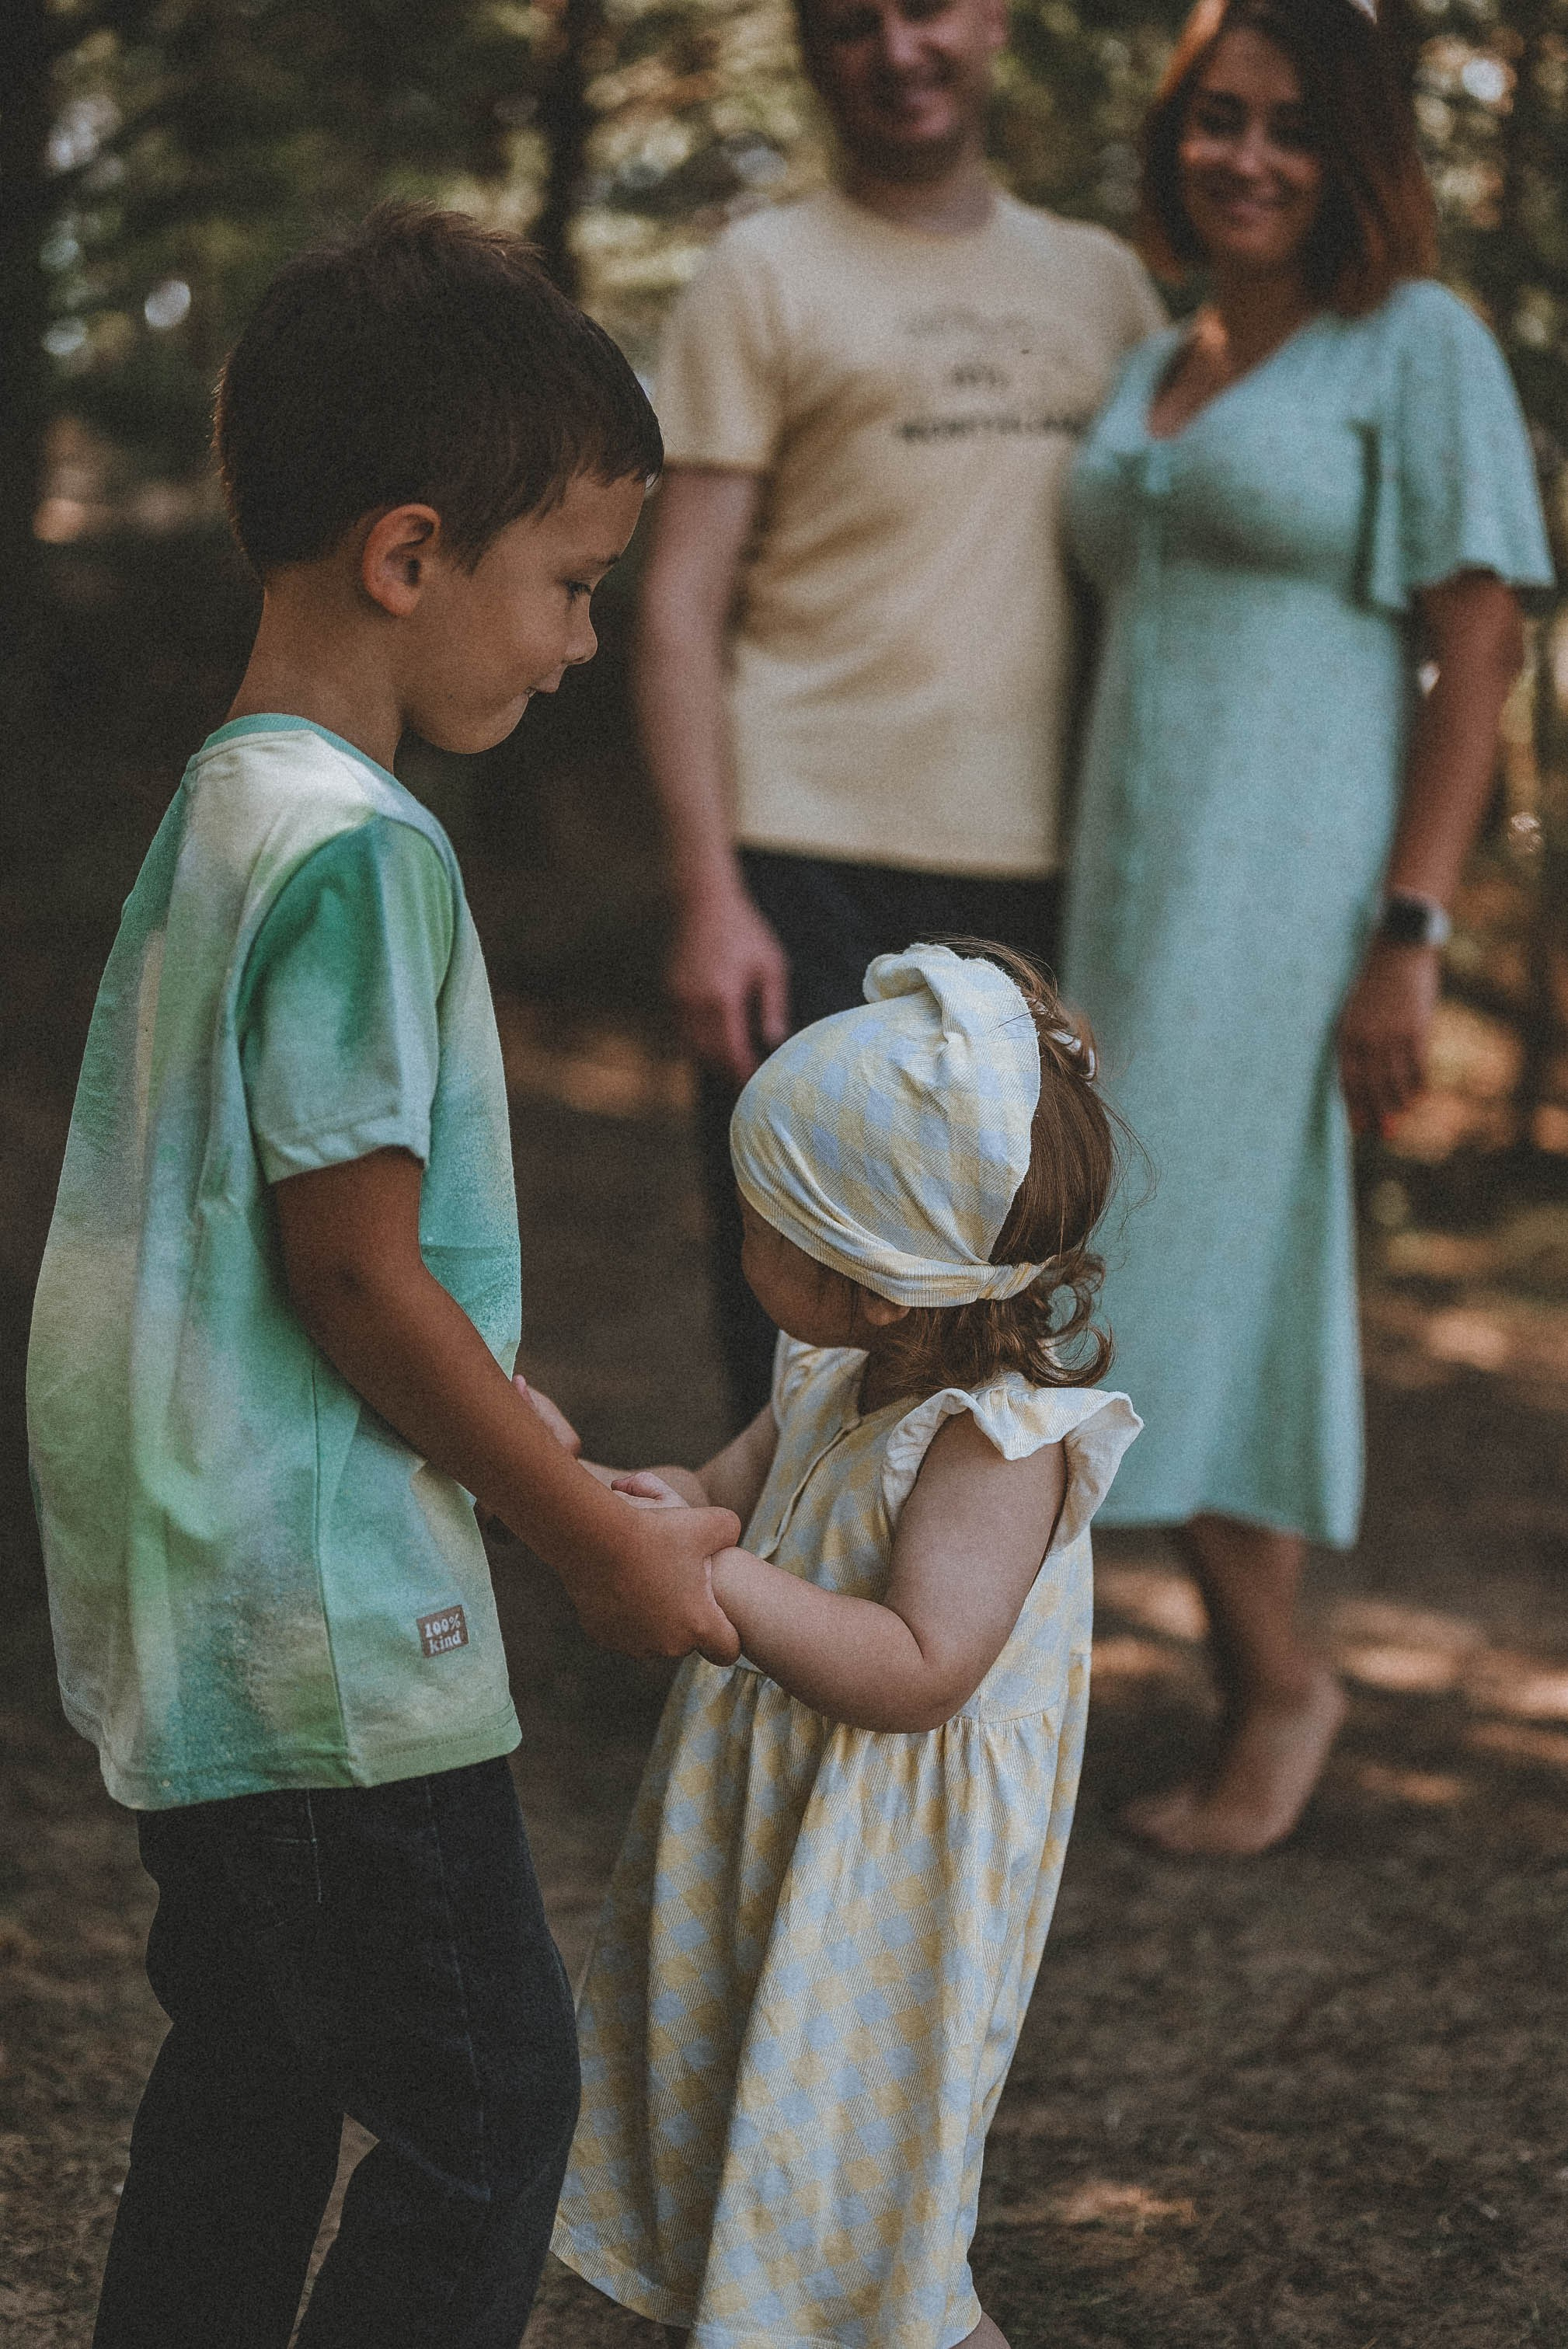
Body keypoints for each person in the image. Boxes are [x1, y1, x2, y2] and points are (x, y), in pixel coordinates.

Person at [26, 205, 744, 2349]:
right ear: (411, 555)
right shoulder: (356, 851)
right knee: (487, 2099)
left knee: (254, 2062)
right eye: (572, 588)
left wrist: (546, 1463)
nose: (586, 644)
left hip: (201, 1604)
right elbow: (352, 1276)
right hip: (327, 1632)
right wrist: (577, 1540)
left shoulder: (217, 815)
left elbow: (282, 1269)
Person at [1061, 0, 1554, 1857]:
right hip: (1116, 883)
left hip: (1287, 895)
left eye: (1286, 130)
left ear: (1352, 161)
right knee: (1137, 1262)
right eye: (1215, 119)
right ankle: (1235, 1672)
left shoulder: (1409, 344)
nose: (1243, 157)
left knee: (1164, 1272)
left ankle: (1276, 1682)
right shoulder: (1159, 351)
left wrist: (1409, 930)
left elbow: (1480, 635)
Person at [551, 942, 1141, 2349]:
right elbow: (718, 1496)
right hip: (771, 1821)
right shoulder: (826, 1366)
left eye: (767, 1226)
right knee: (749, 2151)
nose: (734, 1234)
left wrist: (728, 1584)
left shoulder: (998, 1446)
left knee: (869, 2235)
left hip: (884, 1877)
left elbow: (920, 1667)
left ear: (877, 1282)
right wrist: (626, 1507)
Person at [637, 0, 1167, 1418]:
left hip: (1039, 872)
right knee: (805, 1309)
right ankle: (771, 1625)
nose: (895, 49)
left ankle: (954, 1631)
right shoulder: (762, 271)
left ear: (992, 22)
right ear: (813, 51)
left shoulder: (1106, 284)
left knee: (1003, 1308)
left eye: (925, 9)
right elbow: (679, 601)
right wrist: (708, 890)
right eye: (850, 22)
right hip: (804, 859)